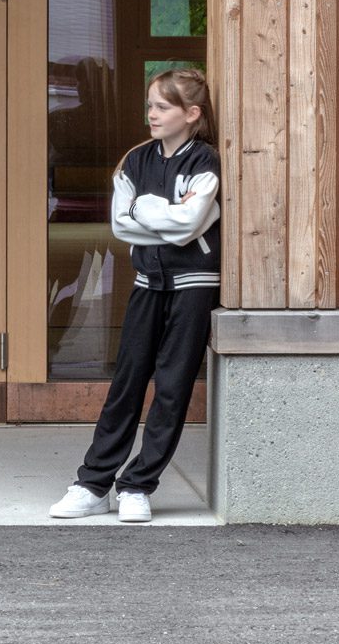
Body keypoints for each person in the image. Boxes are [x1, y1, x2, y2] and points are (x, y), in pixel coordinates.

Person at [49, 68, 220, 525]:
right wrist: (163, 212)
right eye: (150, 106)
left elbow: (190, 226)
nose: (151, 114)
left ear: (191, 114)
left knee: (172, 388)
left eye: (162, 107)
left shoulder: (205, 162)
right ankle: (92, 484)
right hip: (147, 286)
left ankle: (138, 485)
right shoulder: (135, 161)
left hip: (193, 290)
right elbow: (122, 224)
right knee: (126, 384)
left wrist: (145, 208)